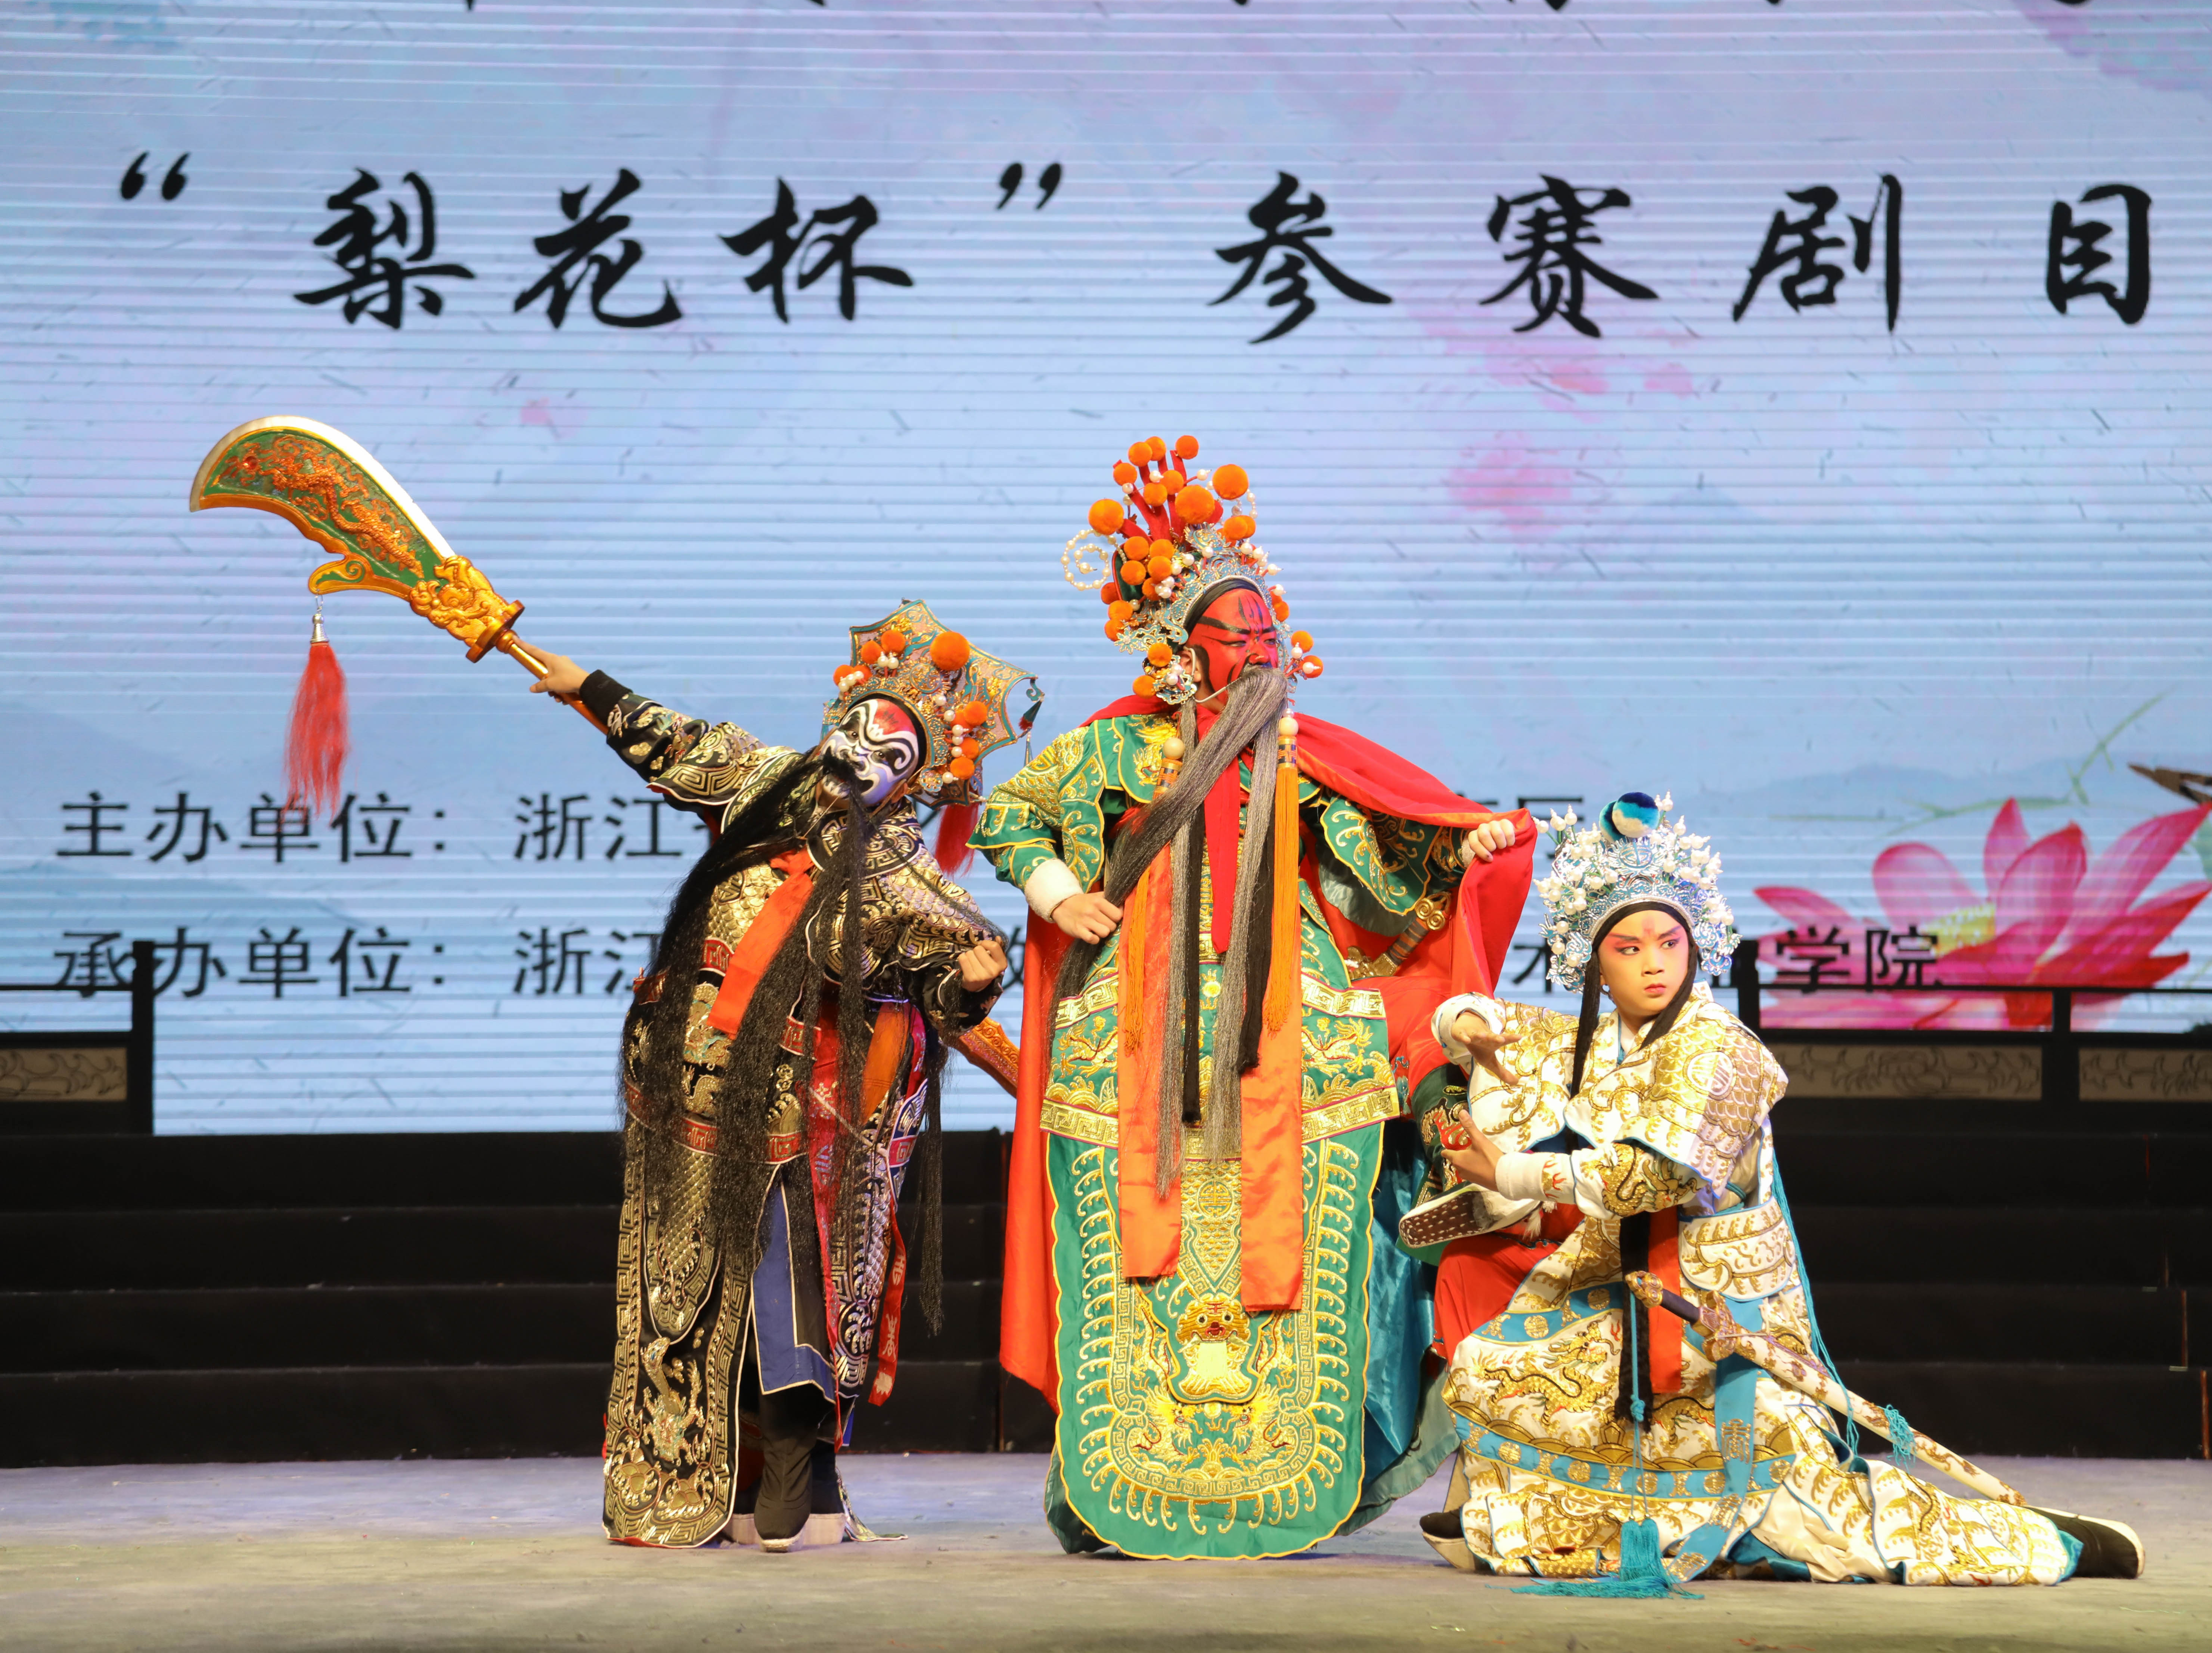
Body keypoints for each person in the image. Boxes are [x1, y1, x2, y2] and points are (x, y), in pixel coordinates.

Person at [972, 434, 1536, 1560]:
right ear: (1183, 646)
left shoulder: (1301, 755)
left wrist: (1458, 845)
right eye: (1239, 633)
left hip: (1292, 1042)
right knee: (1126, 1261)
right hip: (1134, 1042)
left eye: (1270, 632)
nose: (1260, 649)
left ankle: (1292, 1474)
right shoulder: (1114, 748)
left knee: (1318, 1251)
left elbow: (1386, 853)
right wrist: (1058, 892)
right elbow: (1008, 815)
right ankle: (1112, 1483)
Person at [1422, 794, 2145, 1586]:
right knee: (1494, 1370)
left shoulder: (1722, 1050)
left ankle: (2040, 1542)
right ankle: (1514, 1513)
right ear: (1597, 963)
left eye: (1670, 942)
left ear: (1695, 946)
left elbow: (1655, 1174)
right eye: (1629, 948)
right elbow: (1499, 1026)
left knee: (1805, 1504)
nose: (1654, 963)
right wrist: (1465, 1025)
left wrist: (1510, 1171)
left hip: (1722, 1314)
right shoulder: (1603, 1042)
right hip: (1616, 1294)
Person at [517, 601, 1033, 1551]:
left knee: (794, 1280)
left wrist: (971, 980)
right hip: (689, 1081)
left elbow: (948, 967)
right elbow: (673, 739)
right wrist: (586, 686)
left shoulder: (905, 873)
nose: (860, 754)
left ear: (916, 780)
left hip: (806, 1108)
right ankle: (694, 1472)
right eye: (857, 729)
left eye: (891, 752)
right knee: (680, 1287)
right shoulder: (764, 778)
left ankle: (802, 1459)